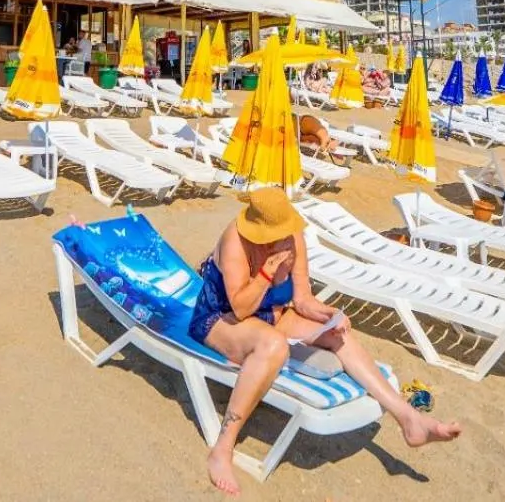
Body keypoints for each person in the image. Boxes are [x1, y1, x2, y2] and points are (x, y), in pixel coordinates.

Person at [190, 187, 460, 495]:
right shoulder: (235, 242)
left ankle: (409, 418)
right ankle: (223, 448)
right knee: (273, 346)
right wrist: (266, 272)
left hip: (273, 315)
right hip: (222, 319)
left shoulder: (294, 239)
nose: (284, 235)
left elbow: (303, 300)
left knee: (338, 336)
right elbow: (240, 308)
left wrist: (330, 314)